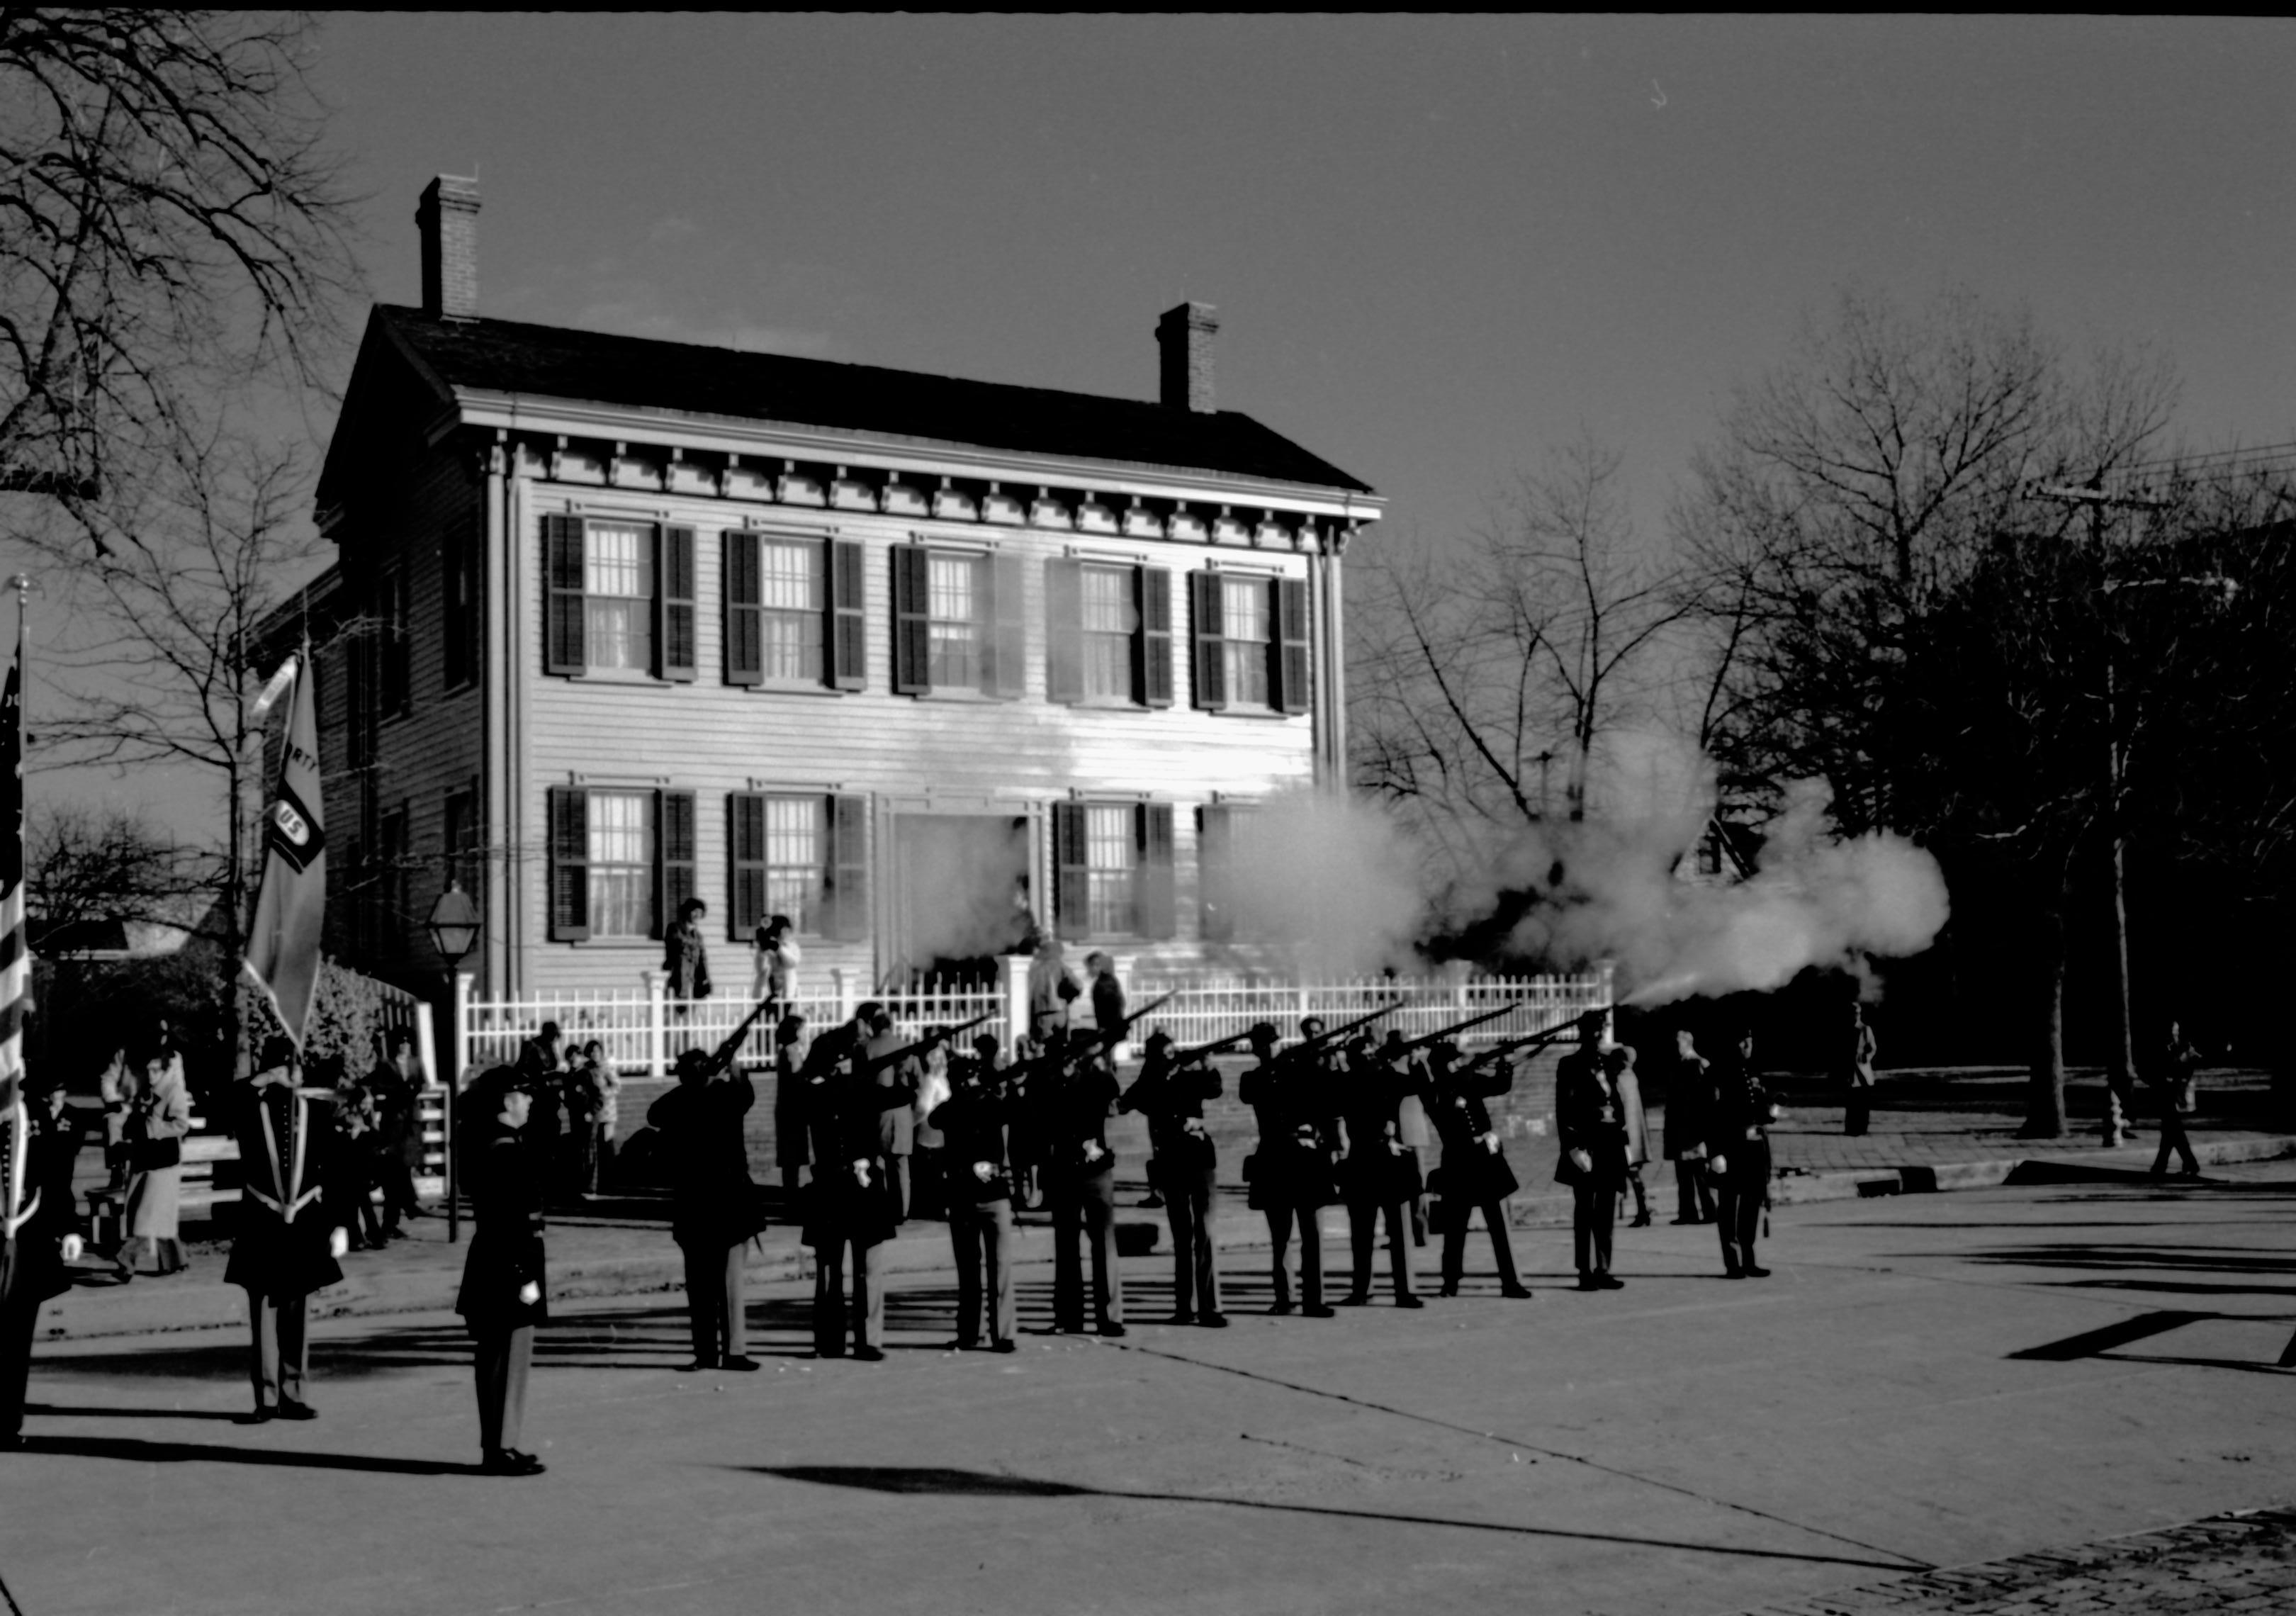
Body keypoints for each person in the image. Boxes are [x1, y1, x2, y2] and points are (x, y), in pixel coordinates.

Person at [225, 1036, 349, 1423]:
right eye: (277, 1067)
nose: (285, 1075)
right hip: (262, 1217)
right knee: (263, 1309)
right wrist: (259, 1081)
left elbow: (334, 1168)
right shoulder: (249, 1105)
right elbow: (222, 1101)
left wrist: (338, 1222)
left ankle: (294, 1392)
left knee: (297, 1309)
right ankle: (266, 1397)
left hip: (303, 1219)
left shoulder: (313, 1110)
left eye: (289, 1068)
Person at [455, 1065, 550, 1474]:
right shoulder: (506, 1150)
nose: (529, 1101)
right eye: (524, 1095)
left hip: (492, 1261)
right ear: (506, 1100)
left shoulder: (488, 1142)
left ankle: (499, 1444)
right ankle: (500, 1448)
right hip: (510, 1265)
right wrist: (525, 1278)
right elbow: (515, 1221)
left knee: (496, 1358)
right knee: (508, 1359)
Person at [649, 1045, 765, 1372]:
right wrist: (734, 1068)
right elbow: (746, 1094)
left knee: (699, 1284)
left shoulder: (678, 1101)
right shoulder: (727, 1095)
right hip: (728, 1201)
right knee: (730, 1283)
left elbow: (654, 1114)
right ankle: (734, 1351)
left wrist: (693, 1084)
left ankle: (705, 1352)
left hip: (693, 1202)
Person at [805, 1021, 908, 1362]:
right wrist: (903, 1070)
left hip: (836, 1189)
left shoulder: (818, 1092)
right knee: (863, 1271)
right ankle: (867, 1340)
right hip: (856, 1189)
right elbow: (904, 1096)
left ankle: (831, 1342)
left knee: (834, 1271)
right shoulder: (854, 1089)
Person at [2, 1067, 89, 1449]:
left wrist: (69, 1227)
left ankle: (5, 1424)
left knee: (16, 1336)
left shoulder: (34, 1114)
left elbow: (56, 1176)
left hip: (29, 1237)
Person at [1120, 1031, 1225, 1326]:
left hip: (1200, 1160)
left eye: (1171, 1053)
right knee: (1182, 1238)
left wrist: (1207, 1064)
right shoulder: (1149, 1085)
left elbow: (1215, 1088)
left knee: (1205, 1234)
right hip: (1171, 1164)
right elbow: (1126, 1102)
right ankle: (1184, 1307)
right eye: (1163, 1054)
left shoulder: (1189, 1078)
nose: (1170, 1059)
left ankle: (1209, 1307)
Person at [1239, 1021, 1339, 1318]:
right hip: (1274, 1159)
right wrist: (1283, 1066)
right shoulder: (1253, 1077)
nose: (1269, 1048)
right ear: (1256, 1049)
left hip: (1305, 1159)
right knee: (1280, 1236)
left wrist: (1314, 1058)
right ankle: (1285, 1297)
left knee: (1313, 1233)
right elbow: (1255, 1092)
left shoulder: (1298, 1069)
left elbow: (1323, 1088)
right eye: (1263, 1044)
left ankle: (1314, 1299)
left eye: (1273, 1042)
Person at [1422, 1040, 1531, 1299]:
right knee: (1455, 1230)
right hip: (1458, 1164)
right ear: (1442, 1066)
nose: (1460, 1062)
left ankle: (1510, 1281)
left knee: (1499, 1226)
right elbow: (1446, 1100)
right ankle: (1450, 1282)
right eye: (1454, 1060)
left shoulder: (1467, 1081)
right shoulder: (1436, 1090)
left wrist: (1504, 1062)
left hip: (1485, 1161)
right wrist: (1469, 1069)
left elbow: (1500, 1086)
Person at [930, 1046, 1020, 1352]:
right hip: (980, 1196)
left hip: (973, 1196)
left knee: (974, 1272)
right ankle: (1001, 1334)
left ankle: (974, 1333)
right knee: (995, 1269)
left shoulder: (971, 1105)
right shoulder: (973, 1105)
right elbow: (936, 1118)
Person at [1038, 1028, 1126, 1336]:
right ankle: (1068, 1316)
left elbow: (1112, 1091)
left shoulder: (1095, 1078)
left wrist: (1097, 1060)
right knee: (1066, 1247)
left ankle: (1110, 1317)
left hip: (1094, 1169)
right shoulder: (1047, 1084)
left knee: (1104, 1244)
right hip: (1064, 1171)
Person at [1336, 1032, 1422, 1308]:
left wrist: (1414, 1061)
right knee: (1362, 1232)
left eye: (1371, 1054)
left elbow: (1416, 1085)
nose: (1369, 1059)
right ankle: (1363, 1289)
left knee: (1398, 1231)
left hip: (1386, 1156)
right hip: (1364, 1157)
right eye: (1365, 1055)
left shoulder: (1383, 1076)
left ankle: (1403, 1290)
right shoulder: (1352, 1081)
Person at [1554, 1014, 1629, 1291]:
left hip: (1610, 1145)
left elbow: (1618, 1104)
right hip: (1587, 1145)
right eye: (1593, 1032)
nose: (1598, 1037)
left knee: (1607, 1210)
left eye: (1601, 1031)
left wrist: (1625, 1140)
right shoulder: (1570, 1065)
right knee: (1585, 1210)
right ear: (1583, 1034)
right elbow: (1565, 1109)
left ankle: (1603, 1267)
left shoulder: (1607, 1063)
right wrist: (1573, 1147)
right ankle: (1584, 1270)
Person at [112, 1039, 193, 1280]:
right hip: (142, 1158)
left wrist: (153, 1127)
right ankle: (175, 1261)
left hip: (164, 1161)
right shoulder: (145, 1089)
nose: (151, 1074)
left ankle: (127, 1258)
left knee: (148, 1215)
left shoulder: (173, 1091)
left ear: (167, 1069)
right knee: (152, 1211)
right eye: (147, 1070)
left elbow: (181, 1124)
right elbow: (137, 1117)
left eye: (156, 1070)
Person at [1708, 1028, 1778, 1279]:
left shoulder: (1751, 1072)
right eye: (1745, 1042)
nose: (1749, 1046)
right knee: (1729, 1207)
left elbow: (1759, 1110)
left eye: (1751, 1042)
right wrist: (1715, 1153)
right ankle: (1733, 1262)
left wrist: (1771, 1109)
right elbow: (1711, 1116)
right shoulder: (1718, 1073)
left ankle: (1749, 1259)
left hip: (1754, 1148)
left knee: (1751, 1205)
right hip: (1731, 1148)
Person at [364, 1029, 428, 1234]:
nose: (405, 1046)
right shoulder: (387, 1064)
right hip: (394, 1118)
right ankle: (408, 1205)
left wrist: (414, 1091)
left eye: (408, 1043)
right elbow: (379, 1086)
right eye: (402, 1043)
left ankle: (399, 1215)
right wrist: (396, 1093)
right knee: (395, 1165)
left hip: (411, 1117)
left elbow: (423, 1083)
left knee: (405, 1164)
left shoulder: (416, 1063)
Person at [859, 1004, 918, 1222]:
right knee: (901, 1165)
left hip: (877, 1112)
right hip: (902, 1112)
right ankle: (902, 1210)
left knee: (879, 1163)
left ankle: (881, 1207)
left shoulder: (866, 1048)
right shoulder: (905, 1046)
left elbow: (859, 1083)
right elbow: (918, 1082)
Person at [1665, 1028, 1717, 1225]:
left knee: (1701, 1173)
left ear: (1687, 1043)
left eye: (1676, 1043)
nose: (1673, 1047)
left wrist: (1706, 1129)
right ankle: (1688, 1213)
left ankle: (1710, 1211)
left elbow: (1709, 1099)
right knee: (1684, 1175)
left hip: (1695, 1129)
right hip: (1681, 1129)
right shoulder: (1680, 1064)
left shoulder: (1698, 1064)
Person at [2149, 1020, 2202, 1179]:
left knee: (2172, 1130)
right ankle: (2183, 1164)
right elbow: (2153, 1069)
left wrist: (2182, 1071)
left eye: (2176, 1031)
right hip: (2164, 1093)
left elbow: (2194, 1063)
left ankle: (2168, 1165)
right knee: (2171, 1131)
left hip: (2176, 1093)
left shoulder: (2185, 1048)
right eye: (2171, 1031)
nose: (2173, 1034)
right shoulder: (2161, 1048)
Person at [1613, 1041, 1653, 1228]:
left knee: (1630, 1174)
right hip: (1634, 1135)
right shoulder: (1632, 1078)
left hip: (1624, 1136)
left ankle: (1642, 1211)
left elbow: (1620, 1109)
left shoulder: (1619, 1080)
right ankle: (1642, 1210)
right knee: (1634, 1174)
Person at [772, 1014, 812, 1198]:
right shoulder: (792, 1052)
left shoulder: (787, 1051)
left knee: (790, 1157)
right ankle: (791, 1195)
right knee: (792, 1157)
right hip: (793, 1110)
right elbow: (798, 1079)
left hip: (787, 1109)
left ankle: (791, 1193)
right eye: (803, 1030)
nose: (806, 1034)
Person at [664, 896, 712, 1007]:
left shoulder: (698, 936)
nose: (697, 915)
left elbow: (702, 960)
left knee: (689, 1017)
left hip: (692, 982)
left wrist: (705, 980)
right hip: (676, 980)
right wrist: (694, 943)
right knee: (671, 1016)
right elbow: (678, 942)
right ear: (687, 911)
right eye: (694, 911)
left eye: (700, 913)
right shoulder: (674, 928)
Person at [752, 913, 801, 1016]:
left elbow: (792, 963)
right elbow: (762, 969)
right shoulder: (766, 946)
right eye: (783, 930)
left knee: (782, 1021)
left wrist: (779, 948)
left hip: (786, 992)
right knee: (765, 1026)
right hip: (767, 991)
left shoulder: (792, 946)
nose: (786, 933)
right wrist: (764, 951)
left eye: (787, 930)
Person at [1842, 1003, 1879, 1138]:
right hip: (1850, 1069)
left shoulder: (1865, 1029)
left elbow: (1872, 1047)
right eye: (1854, 1013)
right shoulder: (1846, 1028)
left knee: (1863, 1100)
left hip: (1862, 1069)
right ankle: (1851, 1128)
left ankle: (1862, 1127)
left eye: (1858, 1013)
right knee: (1851, 1101)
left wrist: (1866, 1057)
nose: (1856, 1015)